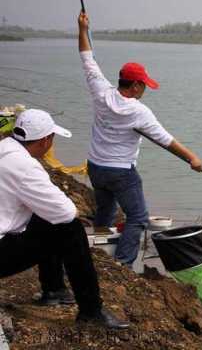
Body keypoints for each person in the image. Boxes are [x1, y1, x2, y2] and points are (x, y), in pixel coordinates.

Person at [77, 11, 202, 268]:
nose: (145, 89)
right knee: (137, 216)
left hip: (95, 166)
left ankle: (98, 251)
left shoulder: (100, 91)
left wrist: (82, 29)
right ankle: (122, 264)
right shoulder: (139, 111)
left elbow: (87, 59)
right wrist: (192, 158)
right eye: (144, 85)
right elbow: (166, 140)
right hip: (121, 172)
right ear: (134, 86)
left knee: (106, 211)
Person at [0, 109, 129, 329]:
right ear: (44, 140)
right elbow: (66, 213)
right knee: (69, 228)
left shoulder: (4, 148)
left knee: (45, 217)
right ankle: (91, 310)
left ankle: (54, 289)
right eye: (52, 138)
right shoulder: (25, 166)